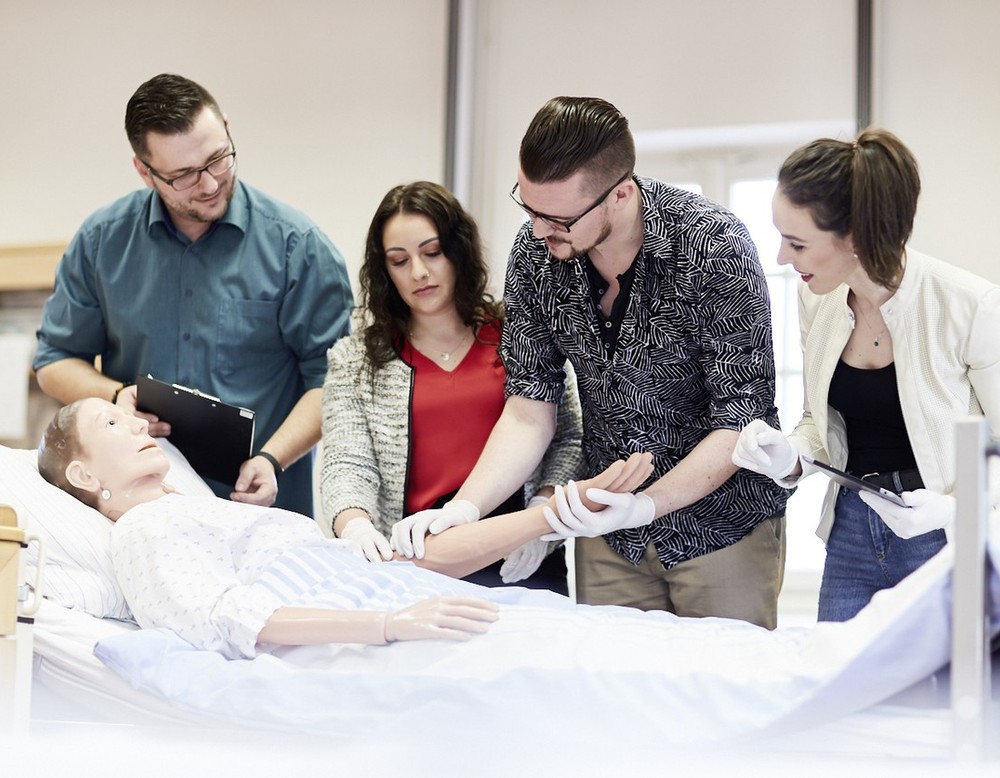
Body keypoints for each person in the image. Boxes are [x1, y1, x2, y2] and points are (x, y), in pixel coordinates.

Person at [392, 97, 789, 628]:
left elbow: (740, 421)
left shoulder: (713, 245)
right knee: (611, 696)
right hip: (605, 533)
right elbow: (530, 407)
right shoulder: (538, 255)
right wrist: (465, 510)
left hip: (722, 526)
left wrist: (649, 504)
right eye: (528, 209)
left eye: (556, 218)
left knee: (724, 694)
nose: (537, 231)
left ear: (621, 193)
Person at [36, 398, 651, 659]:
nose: (140, 425)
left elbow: (407, 566)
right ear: (85, 473)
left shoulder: (197, 509)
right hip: (364, 612)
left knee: (601, 641)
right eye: (114, 426)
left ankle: (559, 511)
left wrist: (546, 515)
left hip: (369, 581)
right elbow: (227, 620)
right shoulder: (143, 532)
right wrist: (384, 625)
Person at [33, 73, 353, 517]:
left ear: (226, 127)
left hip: (258, 512)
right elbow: (54, 362)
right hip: (142, 513)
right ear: (144, 171)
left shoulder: (297, 246)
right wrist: (115, 396)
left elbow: (334, 381)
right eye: (183, 175)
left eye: (218, 159)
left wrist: (272, 458)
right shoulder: (101, 242)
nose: (208, 184)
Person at [731, 128, 1000, 622]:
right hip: (852, 526)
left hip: (942, 536)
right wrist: (790, 458)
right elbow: (821, 422)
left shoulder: (970, 306)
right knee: (839, 685)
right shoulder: (817, 298)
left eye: (796, 243)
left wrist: (951, 508)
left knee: (944, 696)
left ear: (854, 238)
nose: (781, 260)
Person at [321, 181, 583, 593]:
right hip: (419, 560)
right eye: (399, 260)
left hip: (521, 555)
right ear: (383, 269)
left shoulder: (518, 334)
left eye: (432, 252)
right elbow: (347, 462)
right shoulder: (355, 361)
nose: (419, 273)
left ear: (457, 250)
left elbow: (568, 438)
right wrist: (354, 525)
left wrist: (543, 512)